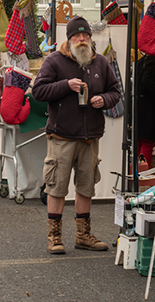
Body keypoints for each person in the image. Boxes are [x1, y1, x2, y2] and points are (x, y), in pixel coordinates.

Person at [31, 16, 120, 255]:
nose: (81, 39)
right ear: (68, 39)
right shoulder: (54, 61)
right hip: (61, 137)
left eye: (85, 35)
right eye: (76, 36)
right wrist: (64, 85)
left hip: (90, 137)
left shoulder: (100, 62)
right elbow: (38, 91)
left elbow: (115, 91)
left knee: (86, 187)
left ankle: (83, 236)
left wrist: (105, 100)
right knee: (57, 187)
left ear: (90, 38)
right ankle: (55, 237)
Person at [136, 52, 155, 167]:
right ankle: (142, 178)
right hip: (148, 111)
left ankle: (137, 177)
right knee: (147, 143)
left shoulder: (140, 61)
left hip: (139, 110)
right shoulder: (152, 61)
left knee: (139, 142)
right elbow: (147, 81)